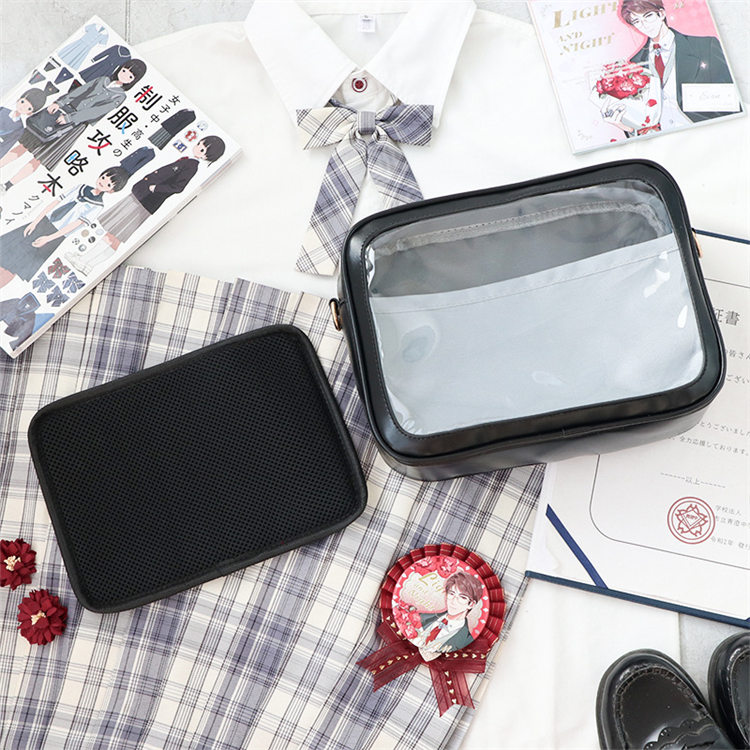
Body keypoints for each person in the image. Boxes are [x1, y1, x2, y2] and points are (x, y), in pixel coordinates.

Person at [0, 60, 146, 192]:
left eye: (130, 76)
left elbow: (96, 111)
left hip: (75, 124)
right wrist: (59, 103)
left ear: (134, 80)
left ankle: (7, 185)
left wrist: (70, 118)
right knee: (25, 144)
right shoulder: (103, 79)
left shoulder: (120, 96)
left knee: (40, 157)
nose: (124, 75)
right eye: (124, 70)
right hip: (63, 110)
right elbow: (80, 91)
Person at [605, 0, 736, 134]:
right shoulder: (635, 64)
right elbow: (644, 121)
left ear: (661, 14)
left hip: (710, 132)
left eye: (648, 16)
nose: (644, 25)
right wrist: (627, 127)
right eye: (637, 21)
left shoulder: (704, 46)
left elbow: (733, 99)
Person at [0, 166, 129, 289]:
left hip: (56, 234)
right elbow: (55, 202)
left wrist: (48, 238)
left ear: (111, 190)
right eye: (104, 177)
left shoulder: (97, 205)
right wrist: (35, 222)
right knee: (6, 250)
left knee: (16, 267)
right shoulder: (81, 187)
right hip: (42, 222)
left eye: (108, 184)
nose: (103, 182)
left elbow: (75, 225)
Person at [97, 135, 226, 252]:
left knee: (118, 233)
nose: (197, 147)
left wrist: (156, 188)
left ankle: (93, 260)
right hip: (141, 193)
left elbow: (178, 187)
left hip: (147, 200)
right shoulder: (188, 161)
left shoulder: (191, 166)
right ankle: (92, 255)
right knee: (113, 227)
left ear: (206, 157)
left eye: (202, 149)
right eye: (199, 144)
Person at [412, 571, 482, 654]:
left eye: (462, 597)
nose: (454, 601)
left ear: (471, 604)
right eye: (451, 593)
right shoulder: (421, 617)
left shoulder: (467, 640)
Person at [0, 89, 46, 160]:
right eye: (22, 102)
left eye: (29, 108)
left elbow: (7, 145)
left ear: (30, 113)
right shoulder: (2, 109)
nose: (23, 107)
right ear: (19, 99)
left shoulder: (20, 128)